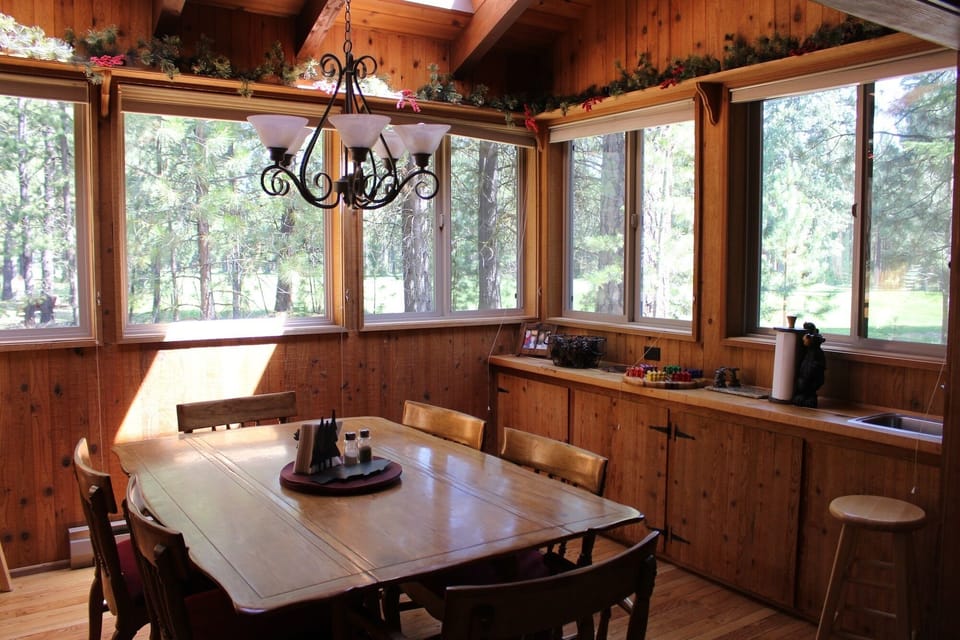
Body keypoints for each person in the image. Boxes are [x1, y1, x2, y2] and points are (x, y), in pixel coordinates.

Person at [793, 322, 826, 407]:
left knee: (811, 385)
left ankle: (809, 397)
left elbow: (817, 339)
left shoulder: (817, 348)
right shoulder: (806, 350)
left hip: (813, 375)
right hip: (804, 374)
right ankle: (803, 395)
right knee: (802, 384)